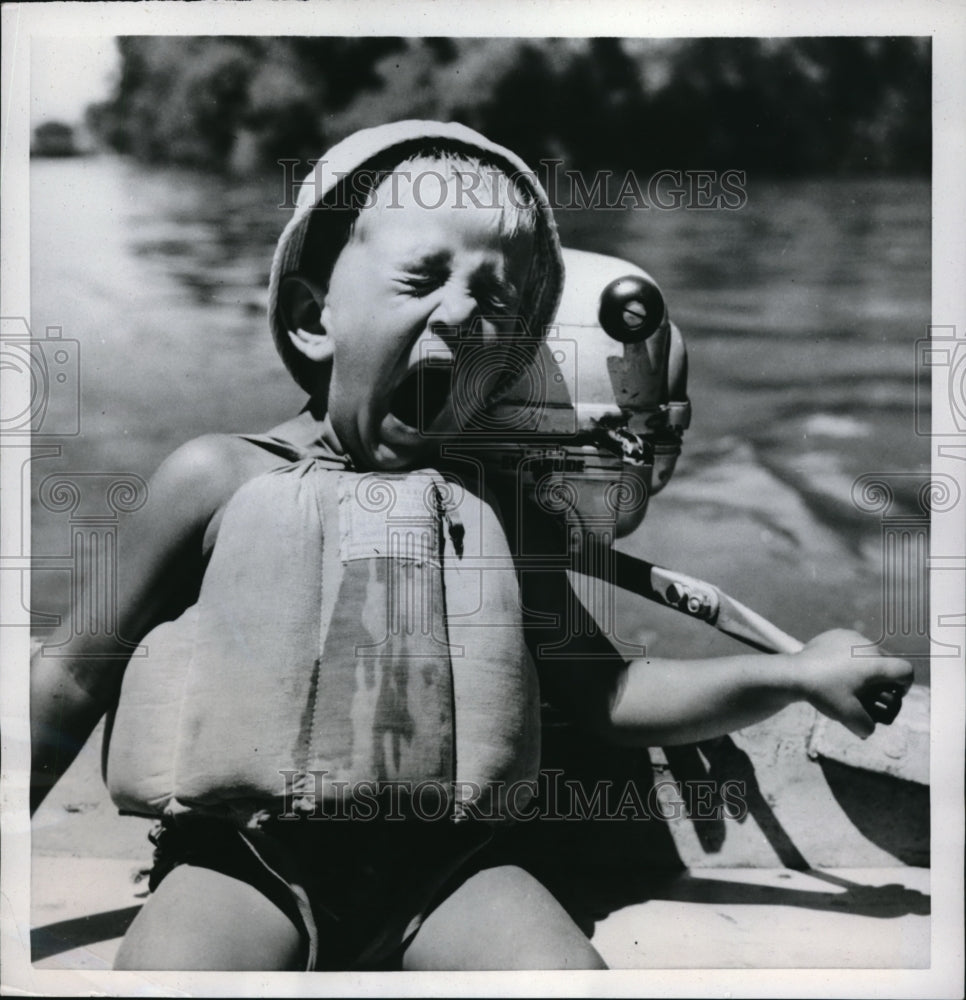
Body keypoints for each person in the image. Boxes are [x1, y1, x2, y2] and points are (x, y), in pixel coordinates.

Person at [30, 120, 913, 972]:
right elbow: (67, 678)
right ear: (312, 317)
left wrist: (793, 676)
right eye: (421, 280)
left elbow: (608, 694)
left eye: (498, 300)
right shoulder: (209, 480)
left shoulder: (497, 515)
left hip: (449, 875)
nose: (465, 311)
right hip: (243, 864)